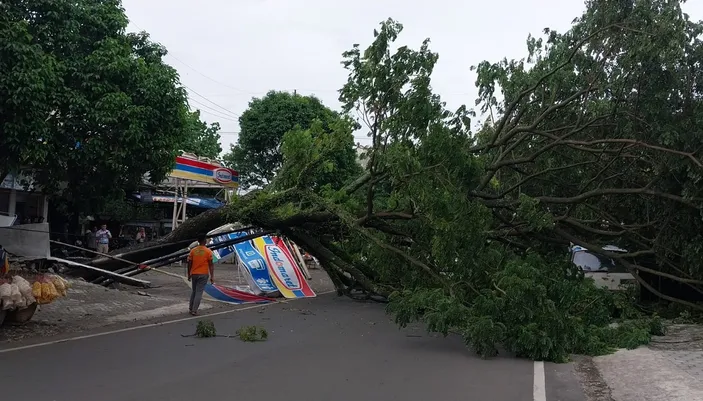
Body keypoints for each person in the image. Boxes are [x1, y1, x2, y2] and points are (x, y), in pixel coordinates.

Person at [187, 234, 214, 315]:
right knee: (199, 292)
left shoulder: (193, 251)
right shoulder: (208, 251)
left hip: (194, 273)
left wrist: (189, 274)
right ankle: (194, 310)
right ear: (204, 240)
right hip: (203, 274)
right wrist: (212, 276)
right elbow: (211, 265)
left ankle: (191, 308)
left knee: (194, 291)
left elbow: (189, 264)